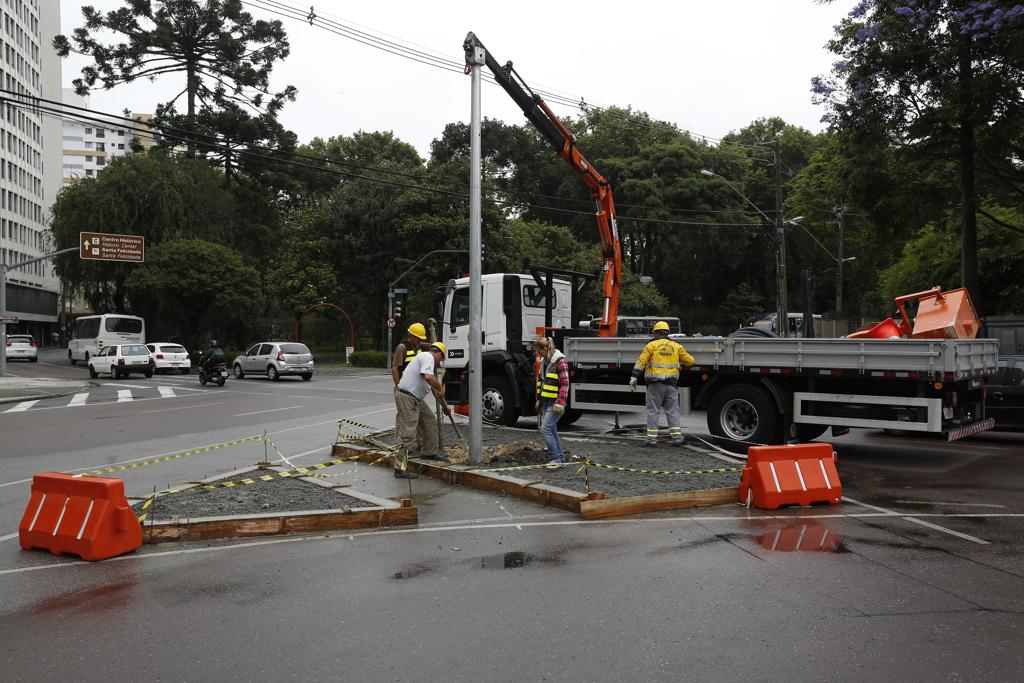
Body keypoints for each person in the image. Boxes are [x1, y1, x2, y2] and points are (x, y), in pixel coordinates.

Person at [629, 321, 695, 446]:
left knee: (653, 411)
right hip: (671, 384)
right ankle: (677, 439)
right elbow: (691, 361)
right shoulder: (676, 346)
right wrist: (679, 364)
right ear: (667, 332)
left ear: (657, 332)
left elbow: (641, 361)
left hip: (655, 385)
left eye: (654, 332)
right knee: (673, 411)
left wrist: (634, 376)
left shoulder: (651, 345)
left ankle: (651, 440)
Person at [394, 342, 451, 478]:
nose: (440, 362)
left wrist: (445, 407)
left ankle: (429, 451)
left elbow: (434, 390)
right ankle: (399, 468)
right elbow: (429, 379)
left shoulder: (427, 362)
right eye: (441, 358)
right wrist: (440, 386)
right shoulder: (427, 357)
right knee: (408, 432)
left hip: (415, 398)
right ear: (439, 353)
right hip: (407, 397)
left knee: (429, 419)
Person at [533, 337, 569, 466]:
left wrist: (560, 402)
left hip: (555, 402)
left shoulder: (560, 361)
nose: (538, 355)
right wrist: (539, 400)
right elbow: (542, 381)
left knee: (546, 429)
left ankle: (556, 459)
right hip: (546, 400)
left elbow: (565, 384)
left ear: (545, 348)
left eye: (539, 352)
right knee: (552, 430)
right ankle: (560, 457)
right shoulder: (545, 361)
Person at [391, 323, 428, 388]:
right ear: (411, 336)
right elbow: (394, 369)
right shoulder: (402, 347)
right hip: (405, 387)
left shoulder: (418, 345)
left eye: (421, 338)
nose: (420, 340)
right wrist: (399, 386)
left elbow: (434, 346)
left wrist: (432, 329)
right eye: (418, 338)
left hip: (414, 388)